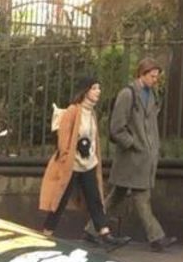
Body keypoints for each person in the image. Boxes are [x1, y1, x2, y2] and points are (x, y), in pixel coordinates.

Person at [38, 77, 129, 248]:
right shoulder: (74, 110)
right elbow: (64, 137)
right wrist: (66, 156)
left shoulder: (91, 112)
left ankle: (105, 233)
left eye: (99, 88)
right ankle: (46, 235)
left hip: (88, 164)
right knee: (60, 201)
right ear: (86, 90)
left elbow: (92, 138)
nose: (98, 91)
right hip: (71, 165)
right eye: (95, 88)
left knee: (95, 199)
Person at [104, 57, 177, 251]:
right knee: (141, 197)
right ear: (141, 74)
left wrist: (152, 147)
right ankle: (157, 238)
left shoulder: (152, 95)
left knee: (116, 196)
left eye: (157, 77)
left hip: (144, 157)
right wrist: (134, 144)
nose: (155, 80)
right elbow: (116, 128)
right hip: (132, 157)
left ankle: (93, 228)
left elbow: (150, 126)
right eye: (152, 76)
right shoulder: (128, 94)